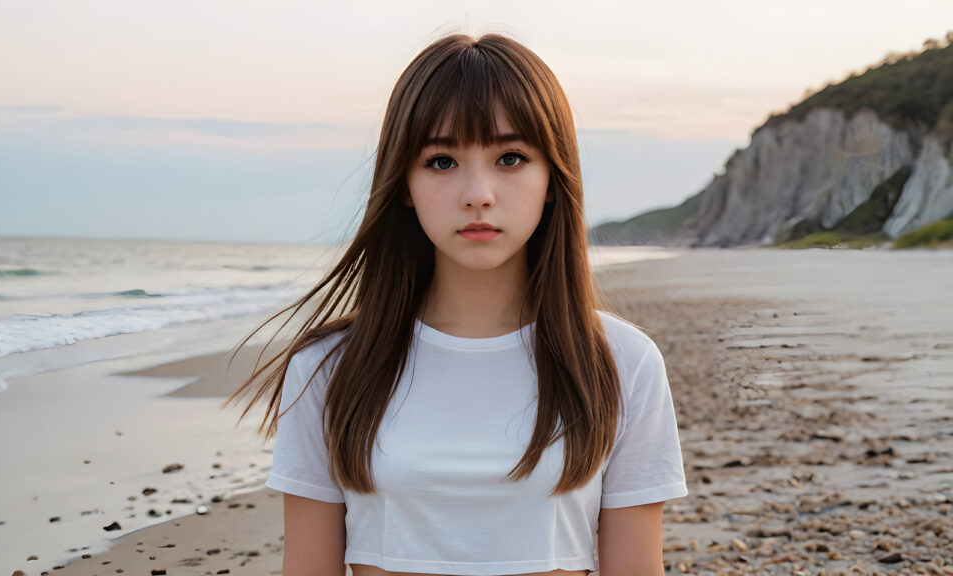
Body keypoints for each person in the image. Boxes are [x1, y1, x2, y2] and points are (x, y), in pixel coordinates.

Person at [227, 31, 688, 576]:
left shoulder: (622, 362)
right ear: (404, 182)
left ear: (552, 178)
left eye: (510, 157)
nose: (478, 194)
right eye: (442, 161)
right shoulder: (329, 368)